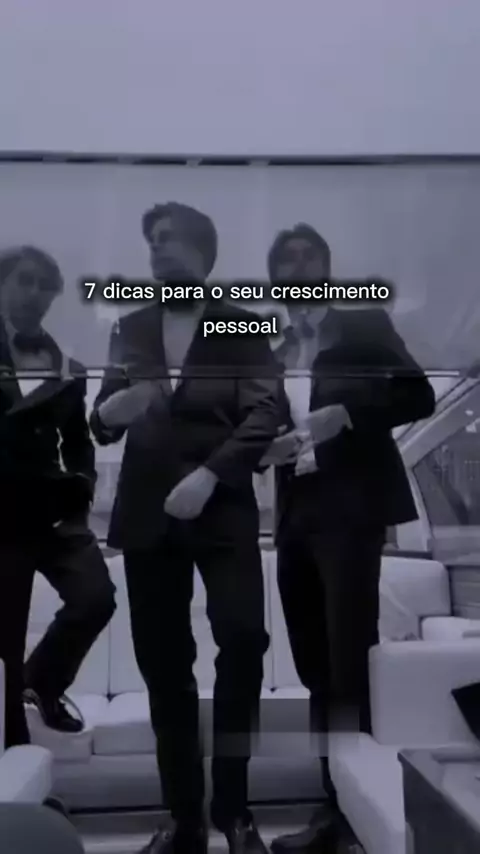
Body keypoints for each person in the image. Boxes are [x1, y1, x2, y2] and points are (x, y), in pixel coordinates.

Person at [90, 202, 279, 854]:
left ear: (203, 251)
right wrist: (110, 414)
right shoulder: (131, 326)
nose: (157, 249)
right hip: (148, 513)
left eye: (169, 239)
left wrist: (211, 475)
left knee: (244, 640)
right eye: (152, 241)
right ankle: (185, 820)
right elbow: (102, 419)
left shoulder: (243, 323)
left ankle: (234, 809)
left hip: (222, 507)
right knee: (164, 665)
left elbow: (265, 412)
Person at [260, 224, 436, 850]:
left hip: (350, 512)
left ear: (327, 267)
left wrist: (350, 415)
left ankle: (350, 814)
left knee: (348, 663)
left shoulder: (362, 323)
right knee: (313, 665)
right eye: (286, 260)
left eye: (308, 256)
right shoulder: (269, 339)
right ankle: (334, 805)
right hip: (294, 515)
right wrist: (262, 446)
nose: (297, 266)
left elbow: (419, 395)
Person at [0, 245, 116, 740]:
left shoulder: (71, 369)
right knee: (4, 640)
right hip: (2, 517)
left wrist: (83, 488)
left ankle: (43, 683)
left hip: (53, 513)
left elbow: (78, 443)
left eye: (44, 287)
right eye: (23, 281)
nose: (34, 294)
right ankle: (14, 758)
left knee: (96, 598)